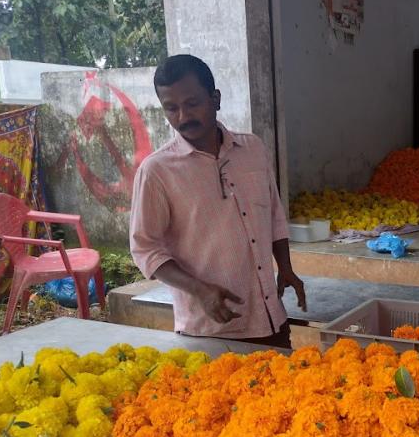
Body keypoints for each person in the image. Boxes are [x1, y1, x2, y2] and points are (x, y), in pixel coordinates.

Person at [129, 54, 305, 348]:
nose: (183, 117)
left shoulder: (253, 149)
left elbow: (273, 214)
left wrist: (285, 267)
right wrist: (200, 290)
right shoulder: (156, 171)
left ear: (215, 99)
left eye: (192, 103)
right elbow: (145, 249)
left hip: (272, 319)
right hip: (210, 330)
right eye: (171, 108)